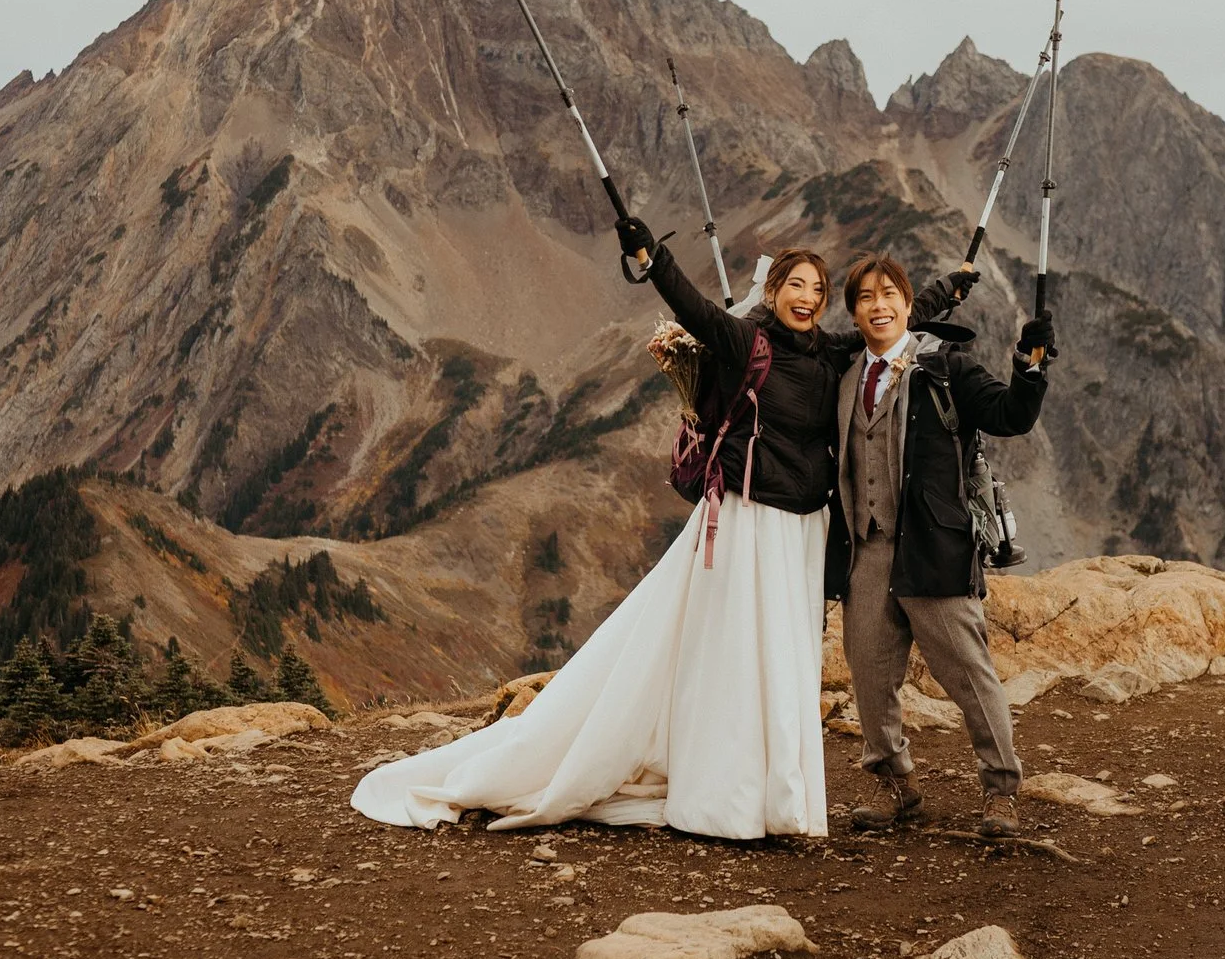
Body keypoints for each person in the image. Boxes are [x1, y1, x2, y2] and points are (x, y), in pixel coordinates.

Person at [350, 220, 965, 840]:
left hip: (802, 531)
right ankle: (725, 796)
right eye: (794, 285)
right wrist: (652, 256)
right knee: (733, 653)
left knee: (782, 657)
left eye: (817, 289)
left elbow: (885, 322)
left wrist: (948, 290)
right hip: (747, 520)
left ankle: (774, 793)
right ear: (773, 291)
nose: (806, 298)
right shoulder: (744, 340)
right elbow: (692, 308)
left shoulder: (829, 353)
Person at [829, 254, 1053, 838]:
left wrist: (1030, 365)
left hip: (934, 545)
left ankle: (1001, 790)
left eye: (889, 295)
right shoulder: (849, 373)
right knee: (870, 677)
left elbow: (1011, 416)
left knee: (969, 676)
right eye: (866, 298)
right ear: (854, 311)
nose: (879, 306)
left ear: (907, 304)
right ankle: (898, 790)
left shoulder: (947, 367)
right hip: (868, 550)